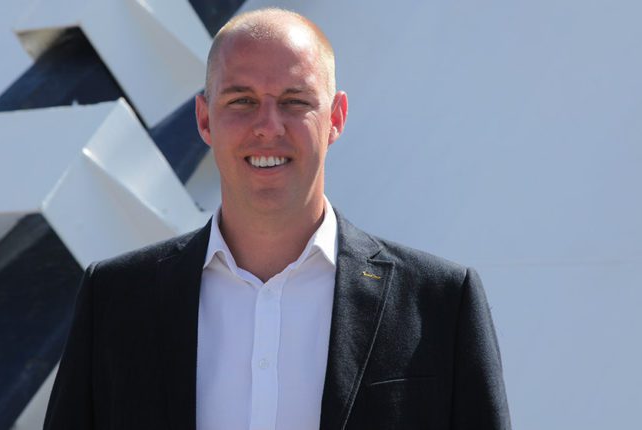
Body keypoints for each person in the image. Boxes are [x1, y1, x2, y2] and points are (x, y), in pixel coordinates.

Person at [44, 8, 511, 430]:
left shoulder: (440, 304)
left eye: (294, 101)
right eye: (242, 101)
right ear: (204, 120)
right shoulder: (115, 300)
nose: (268, 126)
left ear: (336, 118)